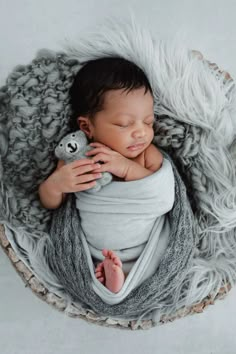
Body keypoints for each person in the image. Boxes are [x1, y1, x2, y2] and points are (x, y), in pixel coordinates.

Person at [38, 57, 165, 294]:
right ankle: (111, 277)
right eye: (125, 124)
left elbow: (163, 194)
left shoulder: (147, 155)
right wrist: (56, 186)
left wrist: (126, 168)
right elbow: (51, 204)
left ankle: (124, 278)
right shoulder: (76, 156)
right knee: (84, 267)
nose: (141, 133)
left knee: (156, 261)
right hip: (95, 247)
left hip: (142, 242)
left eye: (148, 122)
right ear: (87, 127)